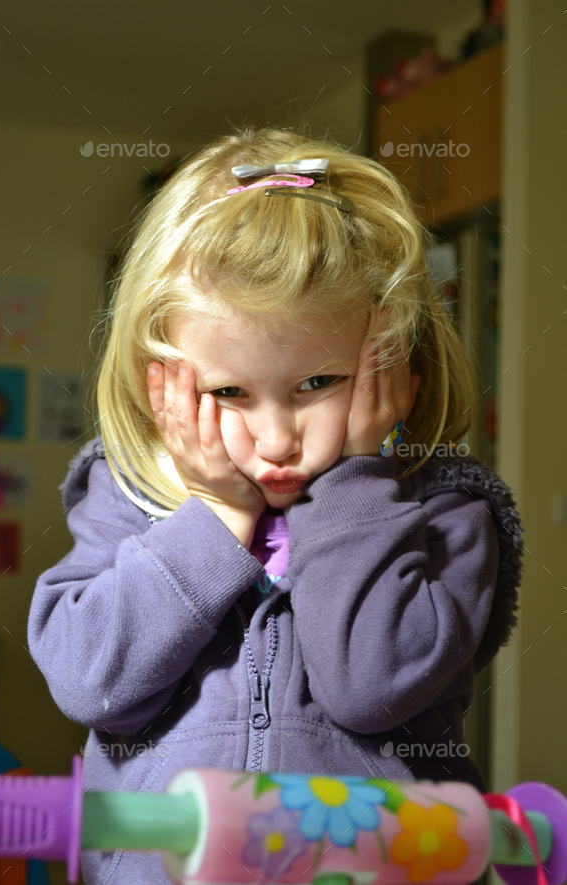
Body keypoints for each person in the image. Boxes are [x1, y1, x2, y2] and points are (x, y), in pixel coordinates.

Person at [28, 126, 523, 885]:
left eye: (317, 384)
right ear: (159, 385)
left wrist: (358, 481)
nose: (277, 438)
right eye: (229, 392)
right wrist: (215, 517)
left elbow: (371, 685)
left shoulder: (449, 517)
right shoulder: (128, 497)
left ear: (401, 368)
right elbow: (92, 681)